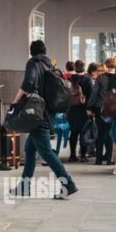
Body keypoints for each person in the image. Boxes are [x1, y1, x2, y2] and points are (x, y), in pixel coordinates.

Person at [11, 40, 77, 198]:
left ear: (31, 51)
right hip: (48, 112)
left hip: (37, 113)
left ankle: (68, 184)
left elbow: (28, 84)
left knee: (46, 152)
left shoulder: (33, 63)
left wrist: (15, 101)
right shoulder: (50, 65)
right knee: (30, 149)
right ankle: (24, 186)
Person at [86, 57, 116, 164]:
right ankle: (109, 159)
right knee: (110, 134)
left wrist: (89, 107)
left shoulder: (100, 78)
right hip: (113, 109)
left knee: (100, 133)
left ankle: (98, 159)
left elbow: (94, 93)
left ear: (106, 66)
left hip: (100, 107)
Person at [68, 60, 92, 162]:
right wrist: (89, 109)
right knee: (84, 132)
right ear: (84, 67)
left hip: (72, 109)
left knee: (73, 132)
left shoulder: (70, 79)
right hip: (84, 108)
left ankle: (72, 154)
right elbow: (91, 95)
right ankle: (83, 154)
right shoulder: (87, 79)